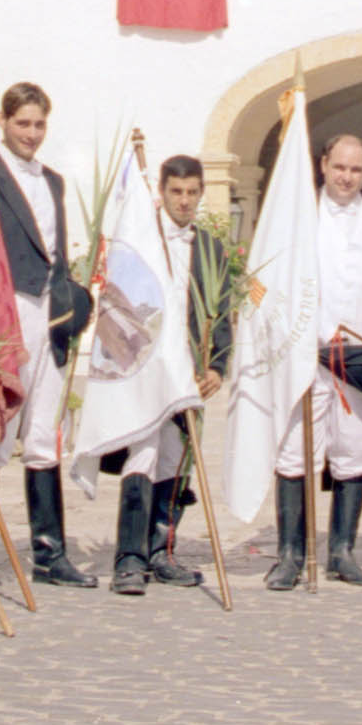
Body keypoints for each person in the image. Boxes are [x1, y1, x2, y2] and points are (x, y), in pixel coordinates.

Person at [0, 81, 97, 591]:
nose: (32, 134)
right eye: (22, 123)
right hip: (0, 318)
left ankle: (50, 554)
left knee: (43, 439)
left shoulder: (53, 181)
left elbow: (55, 258)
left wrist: (69, 309)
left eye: (39, 124)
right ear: (4, 122)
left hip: (46, 320)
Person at [266, 133, 362, 591]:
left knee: (353, 453)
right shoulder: (297, 217)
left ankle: (343, 551)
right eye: (339, 167)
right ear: (324, 165)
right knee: (295, 453)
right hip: (306, 356)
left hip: (361, 360)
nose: (347, 177)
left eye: (356, 170)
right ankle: (289, 554)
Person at [106, 155, 232, 595]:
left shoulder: (212, 249)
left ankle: (162, 551)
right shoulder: (143, 240)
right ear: (161, 192)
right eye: (176, 192)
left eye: (192, 193)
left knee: (175, 460)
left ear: (201, 194)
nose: (184, 201)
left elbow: (221, 315)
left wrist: (217, 365)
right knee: (140, 457)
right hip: (146, 369)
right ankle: (129, 557)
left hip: (188, 375)